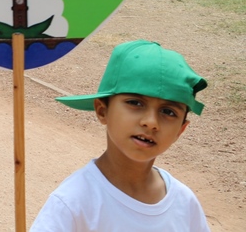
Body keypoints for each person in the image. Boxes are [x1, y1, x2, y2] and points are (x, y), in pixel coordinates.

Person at [29, 40, 209, 232]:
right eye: (135, 103)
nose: (151, 122)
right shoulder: (72, 204)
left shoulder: (184, 204)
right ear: (102, 111)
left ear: (181, 130)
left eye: (169, 112)